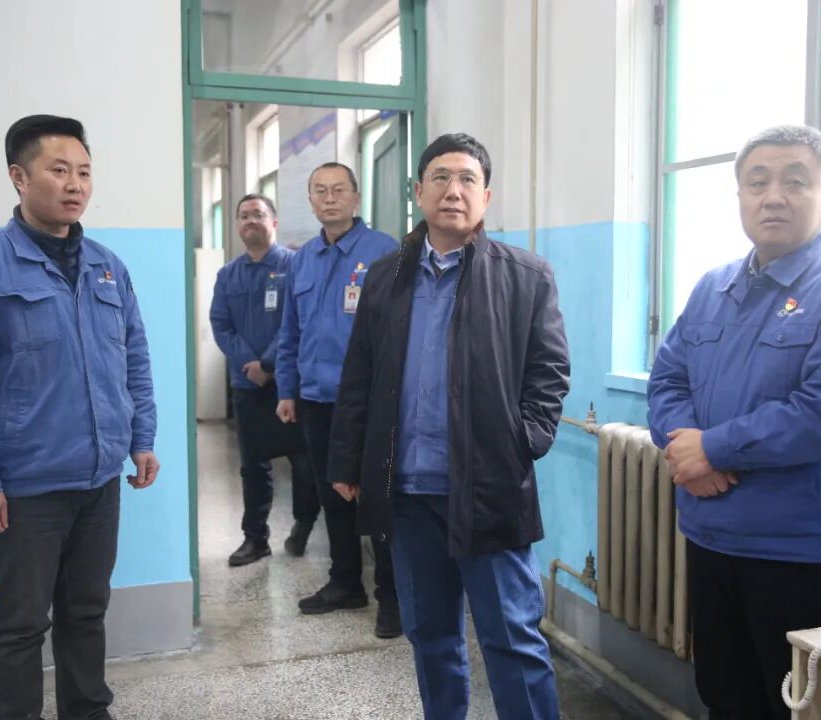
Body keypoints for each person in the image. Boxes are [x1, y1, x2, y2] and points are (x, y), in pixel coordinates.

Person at [647, 124, 821, 720]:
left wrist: (715, 449)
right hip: (709, 537)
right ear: (740, 195)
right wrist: (687, 451)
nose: (773, 197)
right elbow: (668, 380)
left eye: (795, 182)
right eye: (757, 183)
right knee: (724, 697)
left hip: (799, 554)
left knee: (796, 709)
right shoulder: (713, 288)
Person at [328, 133, 570, 720]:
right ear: (418, 192)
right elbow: (359, 375)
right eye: (440, 177)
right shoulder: (385, 277)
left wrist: (521, 443)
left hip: (488, 491)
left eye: (467, 179)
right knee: (430, 636)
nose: (453, 190)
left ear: (486, 196)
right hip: (409, 494)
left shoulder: (525, 276)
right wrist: (348, 460)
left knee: (512, 639)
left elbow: (549, 373)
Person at [0, 115, 159, 720]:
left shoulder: (108, 267)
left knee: (86, 612)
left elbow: (134, 358)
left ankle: (88, 712)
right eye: (59, 170)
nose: (75, 184)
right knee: (20, 624)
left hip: (100, 481)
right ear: (19, 176)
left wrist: (141, 438)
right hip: (27, 487)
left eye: (84, 171)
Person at [274, 162, 401, 638]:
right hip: (316, 400)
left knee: (379, 498)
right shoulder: (302, 259)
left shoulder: (385, 252)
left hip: (368, 403)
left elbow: (399, 332)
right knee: (333, 496)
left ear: (356, 197)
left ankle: (393, 596)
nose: (329, 198)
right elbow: (289, 331)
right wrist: (286, 389)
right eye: (320, 191)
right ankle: (346, 582)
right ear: (310, 200)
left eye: (339, 190)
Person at [210, 193, 319, 565]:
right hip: (247, 386)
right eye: (243, 216)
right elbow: (221, 325)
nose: (250, 220)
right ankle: (255, 538)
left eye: (258, 214)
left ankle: (304, 523)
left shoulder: (295, 266)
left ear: (274, 222)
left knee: (303, 462)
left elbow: (300, 320)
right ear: (238, 226)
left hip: (290, 383)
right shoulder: (228, 275)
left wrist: (269, 364)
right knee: (253, 465)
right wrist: (249, 364)